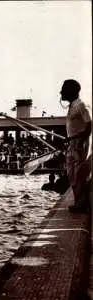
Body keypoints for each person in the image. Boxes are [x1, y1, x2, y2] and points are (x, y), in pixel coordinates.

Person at [60, 79, 91, 212]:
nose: (61, 93)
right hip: (72, 142)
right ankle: (79, 201)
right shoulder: (73, 106)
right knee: (71, 173)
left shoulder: (81, 105)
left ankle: (81, 203)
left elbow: (89, 124)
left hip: (78, 143)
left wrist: (81, 141)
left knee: (79, 173)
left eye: (64, 90)